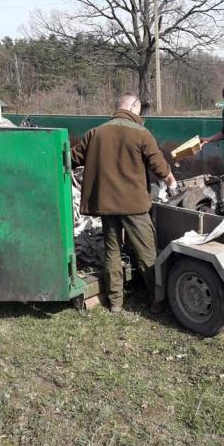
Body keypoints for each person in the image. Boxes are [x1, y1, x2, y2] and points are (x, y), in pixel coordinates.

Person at [71, 92, 177, 313]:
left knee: (112, 251)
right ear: (134, 107)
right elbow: (158, 166)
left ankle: (116, 303)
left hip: (106, 206)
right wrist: (171, 180)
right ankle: (158, 300)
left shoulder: (95, 133)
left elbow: (71, 158)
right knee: (146, 253)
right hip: (134, 206)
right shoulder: (141, 133)